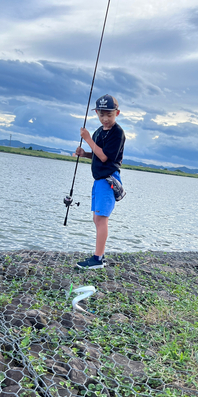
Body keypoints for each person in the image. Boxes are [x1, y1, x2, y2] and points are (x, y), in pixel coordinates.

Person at [74, 94, 126, 269]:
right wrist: (85, 153)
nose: (105, 119)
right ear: (96, 113)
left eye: (109, 115)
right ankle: (100, 254)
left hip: (108, 179)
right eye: (101, 114)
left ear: (117, 113)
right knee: (97, 218)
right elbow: (97, 154)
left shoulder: (117, 133)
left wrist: (87, 139)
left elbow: (104, 157)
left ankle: (97, 259)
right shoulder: (97, 132)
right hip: (98, 180)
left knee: (102, 219)